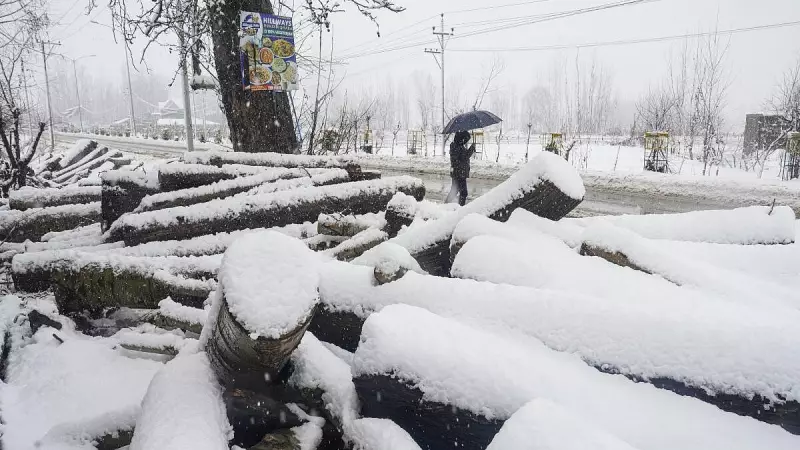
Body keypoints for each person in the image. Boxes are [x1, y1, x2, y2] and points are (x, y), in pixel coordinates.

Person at [449, 130, 476, 206]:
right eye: (465, 139)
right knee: (463, 193)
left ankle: (446, 206)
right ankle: (460, 209)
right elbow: (463, 158)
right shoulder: (456, 146)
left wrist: (470, 149)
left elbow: (463, 157)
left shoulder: (458, 145)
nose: (466, 141)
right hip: (459, 173)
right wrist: (471, 149)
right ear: (461, 138)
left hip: (459, 172)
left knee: (455, 191)